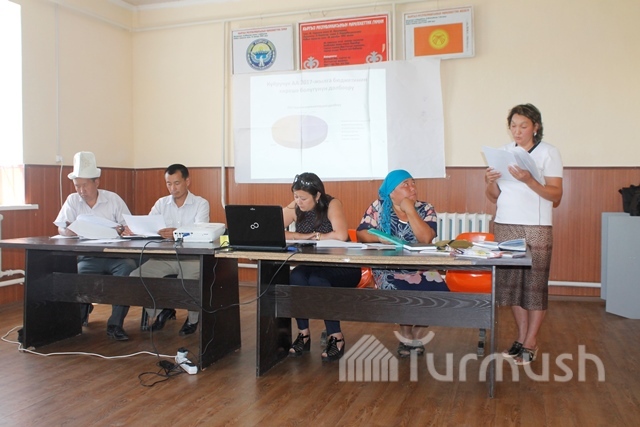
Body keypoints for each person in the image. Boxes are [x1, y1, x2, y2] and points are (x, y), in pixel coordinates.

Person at [485, 103, 563, 365]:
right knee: (512, 287)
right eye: (513, 126)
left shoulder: (549, 152)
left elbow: (556, 196)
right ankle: (520, 338)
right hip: (505, 224)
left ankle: (531, 341)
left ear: (535, 127)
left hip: (536, 226)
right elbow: (494, 196)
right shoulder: (503, 153)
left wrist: (529, 180)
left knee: (534, 286)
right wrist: (490, 182)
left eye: (523, 126)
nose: (517, 131)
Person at [356, 169, 448, 357]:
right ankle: (406, 333)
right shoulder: (378, 207)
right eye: (405, 184)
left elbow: (426, 238)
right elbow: (361, 233)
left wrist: (410, 210)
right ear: (391, 192)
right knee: (400, 293)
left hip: (422, 268)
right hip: (388, 268)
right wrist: (379, 239)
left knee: (439, 295)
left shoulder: (426, 208)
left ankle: (418, 333)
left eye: (413, 183)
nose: (412, 188)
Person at [54, 151, 136, 341]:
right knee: (76, 276)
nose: (81, 190)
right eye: (77, 186)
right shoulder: (72, 200)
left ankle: (115, 325)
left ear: (96, 182)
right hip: (88, 256)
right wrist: (68, 231)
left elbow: (130, 227)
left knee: (128, 271)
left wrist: (124, 230)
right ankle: (78, 316)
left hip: (116, 257)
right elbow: (61, 227)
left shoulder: (113, 199)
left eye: (85, 185)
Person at [283, 173, 361, 362]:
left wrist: (314, 236)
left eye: (303, 198)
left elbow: (341, 235)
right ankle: (303, 334)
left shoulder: (332, 204)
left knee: (318, 280)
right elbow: (273, 230)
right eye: (296, 196)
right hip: (313, 264)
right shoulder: (296, 206)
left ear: (317, 196)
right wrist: (302, 237)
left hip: (342, 266)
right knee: (296, 277)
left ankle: (336, 336)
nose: (298, 201)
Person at [128, 164, 209, 336]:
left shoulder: (201, 203)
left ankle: (193, 319)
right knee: (137, 276)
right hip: (164, 257)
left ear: (187, 181)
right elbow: (149, 226)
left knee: (188, 281)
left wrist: (177, 233)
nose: (173, 188)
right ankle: (162, 310)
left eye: (177, 183)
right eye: (169, 184)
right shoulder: (161, 203)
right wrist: (136, 230)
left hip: (191, 257)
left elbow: (201, 231)